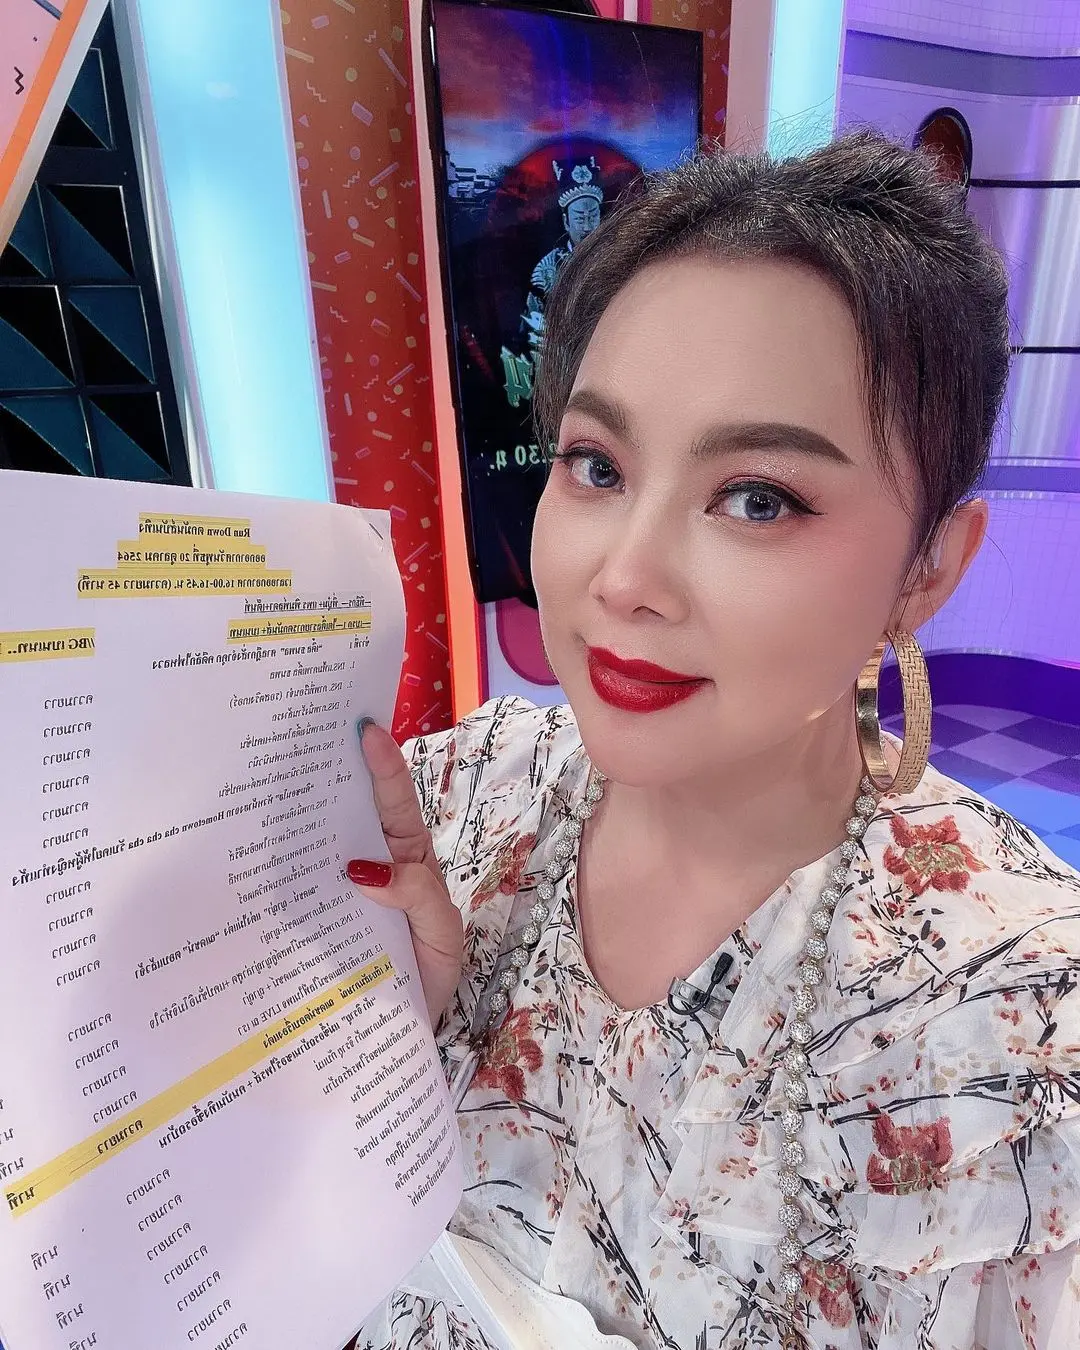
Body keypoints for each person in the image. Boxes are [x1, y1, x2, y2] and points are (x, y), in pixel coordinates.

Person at [351, 132, 1080, 1349]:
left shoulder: (1012, 1025)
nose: (623, 578)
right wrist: (372, 1043)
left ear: (927, 571)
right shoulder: (457, 803)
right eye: (596, 466)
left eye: (758, 498)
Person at [522, 160, 605, 357]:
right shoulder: (546, 270)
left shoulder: (618, 258)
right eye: (580, 218)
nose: (587, 227)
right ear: (566, 221)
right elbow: (533, 329)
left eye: (593, 217)